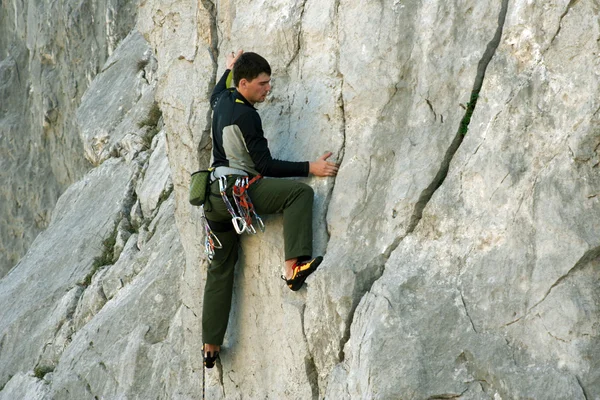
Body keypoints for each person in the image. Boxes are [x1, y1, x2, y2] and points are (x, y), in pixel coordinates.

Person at [201, 50, 338, 368]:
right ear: (245, 83)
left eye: (269, 82)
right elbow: (265, 165)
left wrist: (230, 69)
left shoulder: (223, 100)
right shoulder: (247, 115)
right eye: (262, 84)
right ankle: (293, 269)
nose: (268, 88)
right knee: (299, 195)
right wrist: (311, 167)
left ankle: (210, 346)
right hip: (239, 192)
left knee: (220, 269)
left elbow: (215, 92)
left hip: (214, 199)